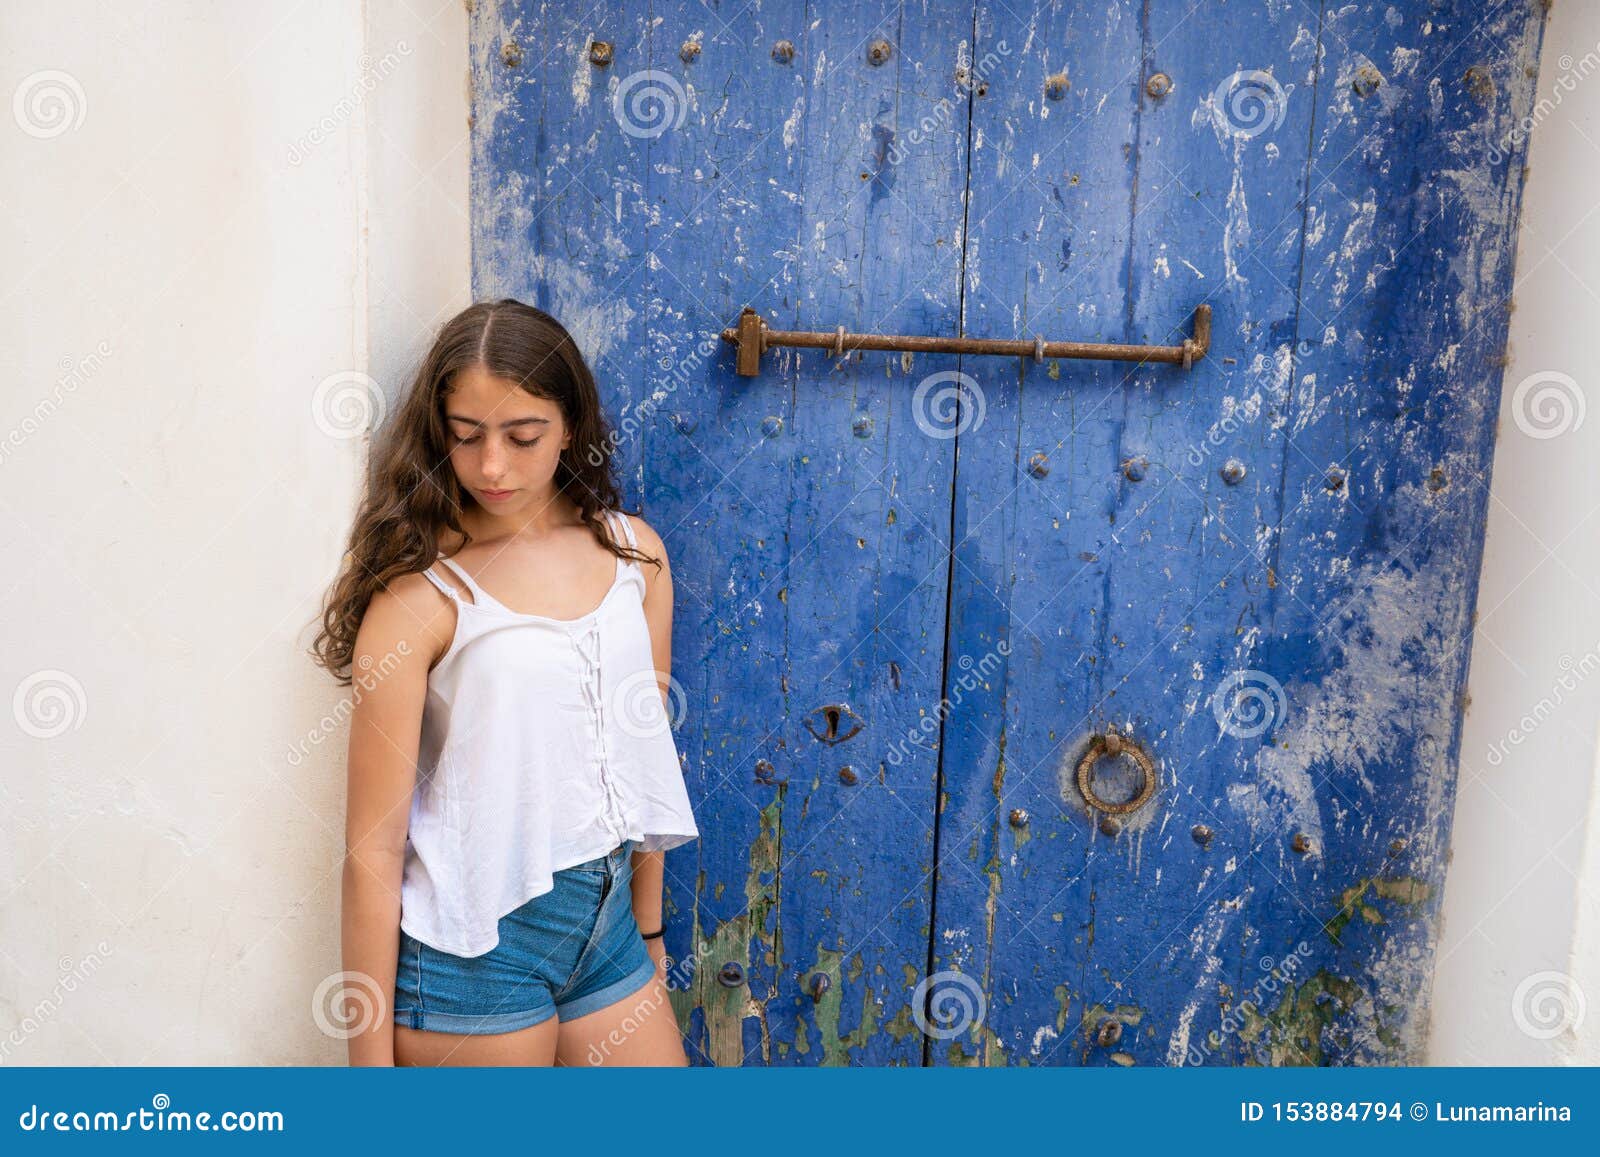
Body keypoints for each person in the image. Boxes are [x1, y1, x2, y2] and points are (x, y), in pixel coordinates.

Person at [309, 299, 699, 1065]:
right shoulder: (421, 597)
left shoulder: (636, 559)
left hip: (608, 928)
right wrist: (366, 1067)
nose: (492, 466)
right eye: (466, 436)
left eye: (524, 437)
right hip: (470, 953)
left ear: (572, 427)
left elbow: (643, 761)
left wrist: (649, 928)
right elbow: (373, 850)